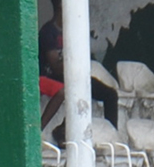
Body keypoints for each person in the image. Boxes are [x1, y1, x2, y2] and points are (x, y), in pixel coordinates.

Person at [36, 3, 117, 131]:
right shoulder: (48, 32)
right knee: (78, 86)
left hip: (71, 75)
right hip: (52, 76)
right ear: (60, 7)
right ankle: (63, 131)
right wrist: (76, 61)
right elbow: (55, 66)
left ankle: (110, 133)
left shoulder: (72, 32)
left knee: (110, 94)